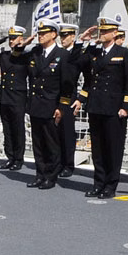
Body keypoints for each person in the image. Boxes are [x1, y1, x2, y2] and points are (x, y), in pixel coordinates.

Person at [72, 17, 128, 198]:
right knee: (98, 149)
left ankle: (110, 185)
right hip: (96, 106)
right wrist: (81, 41)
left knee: (113, 148)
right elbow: (75, 63)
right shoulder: (94, 53)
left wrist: (127, 106)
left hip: (114, 108)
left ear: (115, 33)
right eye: (101, 31)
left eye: (105, 31)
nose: (102, 34)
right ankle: (98, 183)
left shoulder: (124, 53)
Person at [23, 20, 75, 189]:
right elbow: (17, 56)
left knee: (52, 143)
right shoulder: (35, 53)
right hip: (36, 104)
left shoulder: (63, 55)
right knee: (38, 143)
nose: (40, 36)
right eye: (39, 33)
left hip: (52, 105)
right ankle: (40, 174)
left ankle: (51, 177)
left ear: (54, 35)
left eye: (44, 33)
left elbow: (67, 84)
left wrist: (61, 107)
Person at [0, 25, 31, 170]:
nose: (11, 41)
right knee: (7, 129)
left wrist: (21, 47)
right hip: (5, 97)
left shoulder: (25, 56)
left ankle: (18, 158)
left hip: (18, 97)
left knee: (18, 129)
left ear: (21, 39)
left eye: (14, 38)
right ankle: (10, 157)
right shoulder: (4, 56)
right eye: (10, 38)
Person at [56, 23, 82, 177]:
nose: (63, 39)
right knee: (55, 131)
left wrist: (80, 99)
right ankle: (57, 162)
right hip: (55, 96)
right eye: (61, 36)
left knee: (67, 132)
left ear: (73, 36)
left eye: (66, 36)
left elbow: (87, 78)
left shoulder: (77, 54)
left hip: (69, 97)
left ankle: (68, 164)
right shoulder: (58, 53)